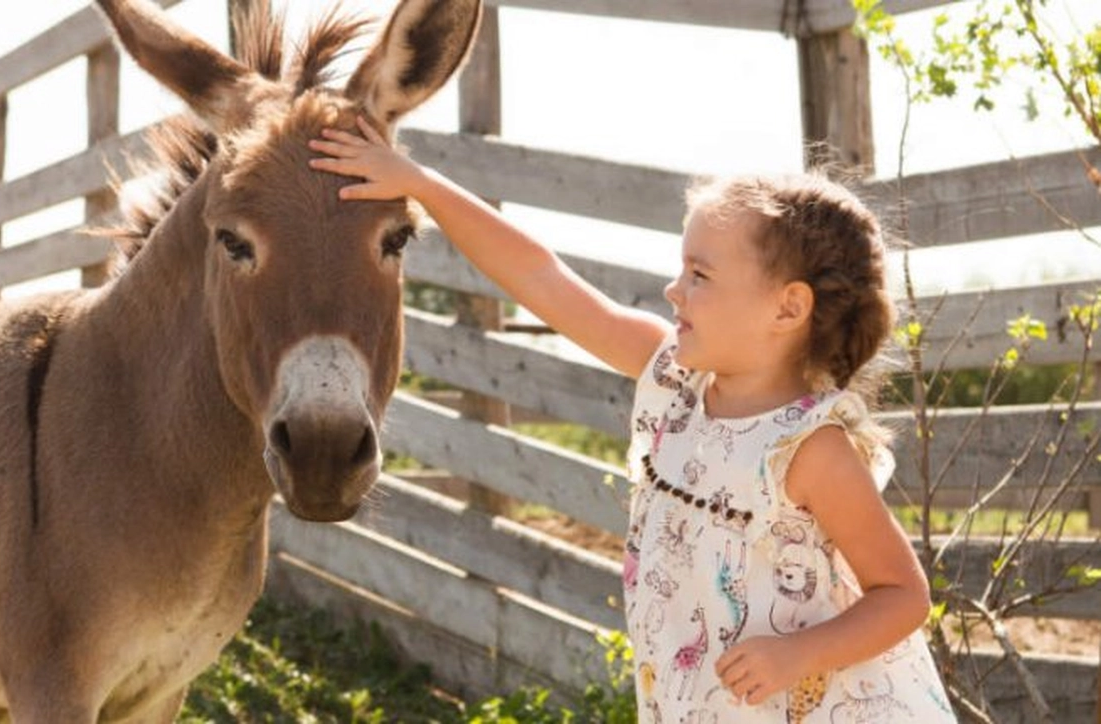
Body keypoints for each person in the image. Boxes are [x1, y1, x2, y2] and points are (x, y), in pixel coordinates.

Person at [308, 117, 956, 722]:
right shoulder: (673, 379)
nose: (675, 290)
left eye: (699, 274)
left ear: (787, 309)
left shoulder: (809, 449)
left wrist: (801, 653)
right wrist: (420, 185)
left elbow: (902, 595)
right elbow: (542, 275)